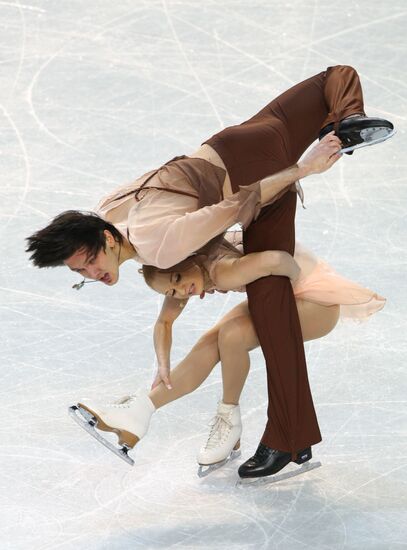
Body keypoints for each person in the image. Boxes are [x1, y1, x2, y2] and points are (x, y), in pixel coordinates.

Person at [26, 65, 393, 479]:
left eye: (90, 261)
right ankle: (348, 119)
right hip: (237, 139)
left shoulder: (164, 247)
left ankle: (290, 440)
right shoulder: (112, 211)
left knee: (270, 306)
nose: (93, 274)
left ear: (108, 241)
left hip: (253, 179)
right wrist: (161, 361)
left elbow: (236, 206)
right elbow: (167, 313)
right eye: (81, 271)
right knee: (334, 76)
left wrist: (304, 170)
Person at [74, 233, 384, 475]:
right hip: (281, 298)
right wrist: (163, 367)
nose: (182, 292)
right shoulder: (184, 273)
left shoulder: (222, 271)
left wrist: (286, 289)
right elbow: (165, 321)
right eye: (172, 291)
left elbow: (278, 260)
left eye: (180, 281)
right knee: (212, 340)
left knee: (233, 336)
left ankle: (228, 419)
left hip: (315, 303)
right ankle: (140, 411)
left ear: (189, 263)